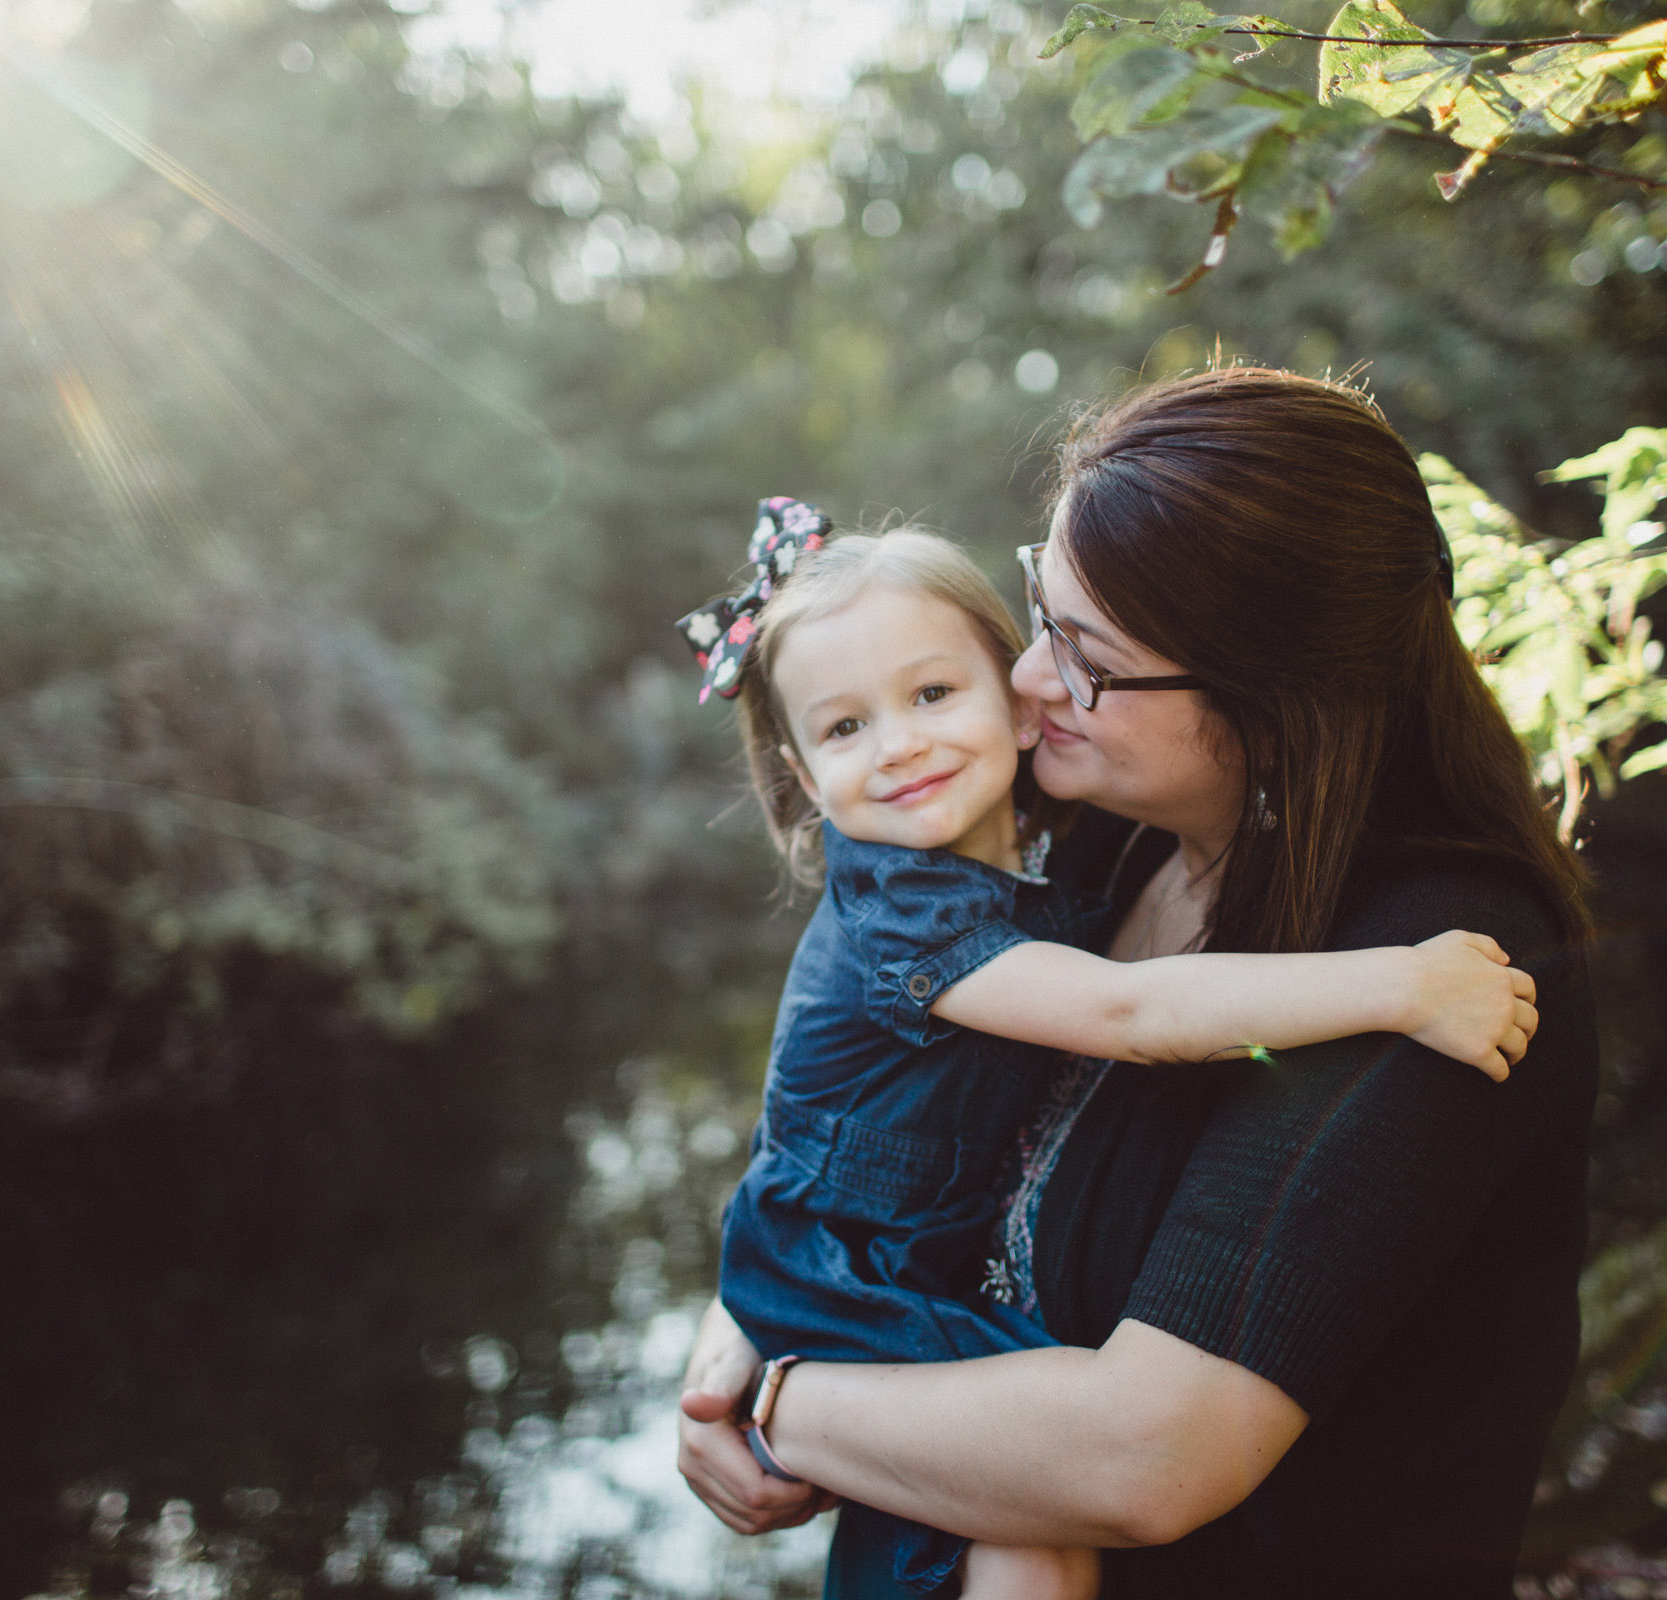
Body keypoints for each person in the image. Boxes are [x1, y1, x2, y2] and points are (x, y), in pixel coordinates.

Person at [676, 370, 1599, 1599]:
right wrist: (743, 1326)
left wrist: (784, 1404)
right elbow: (855, 1099)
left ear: (1273, 708)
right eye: (1040, 615)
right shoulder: (1097, 842)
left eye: (1089, 660)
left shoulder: (1447, 969)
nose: (1031, 683)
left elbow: (1143, 1461)